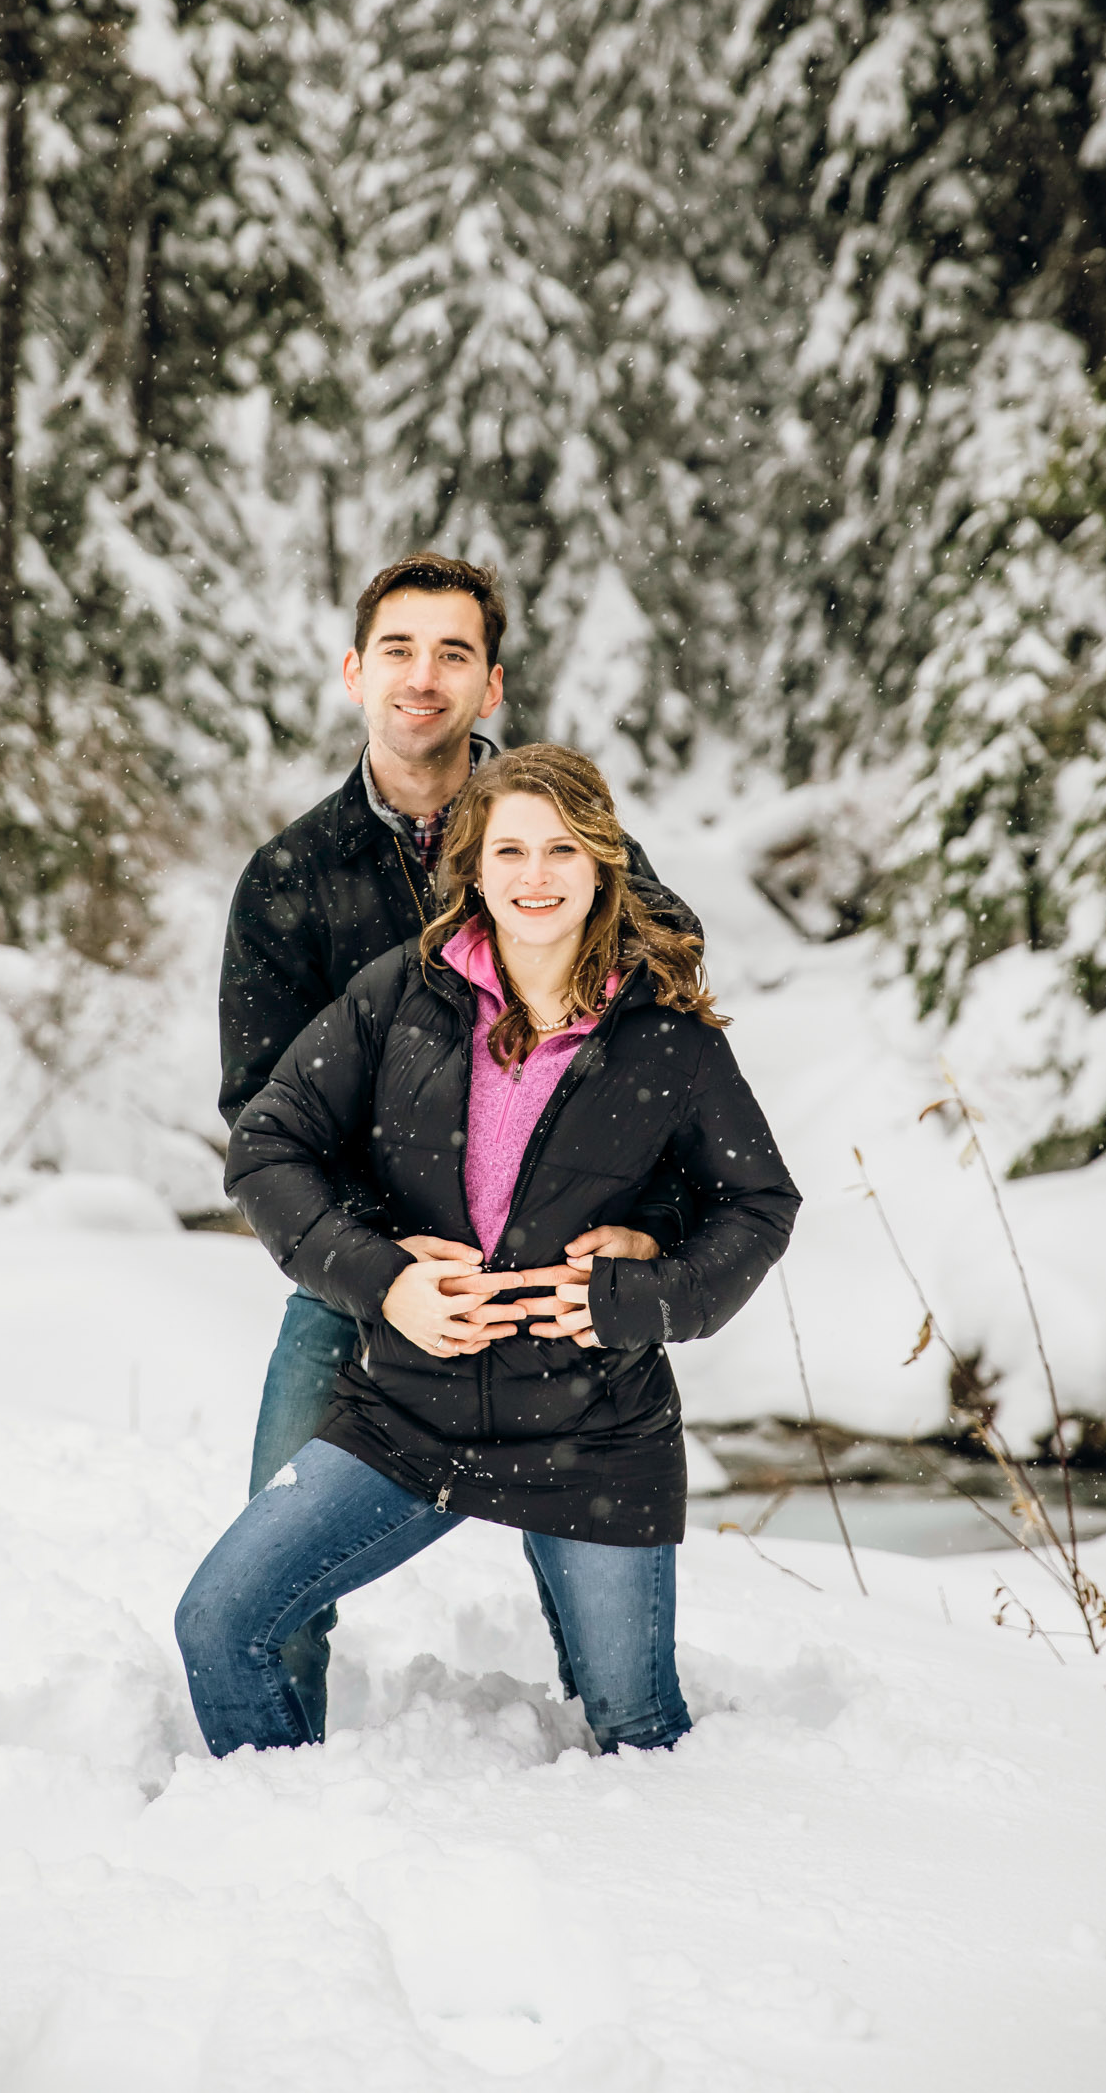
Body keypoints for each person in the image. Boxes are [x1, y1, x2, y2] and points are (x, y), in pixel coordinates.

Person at [178, 745, 800, 1757]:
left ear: (602, 861)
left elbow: (756, 1203)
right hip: (408, 1412)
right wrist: (385, 1278)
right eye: (507, 848)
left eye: (561, 848)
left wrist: (636, 1297)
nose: (533, 874)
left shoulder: (665, 1034)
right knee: (218, 1622)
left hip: (590, 1432)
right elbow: (265, 1144)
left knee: (635, 1729)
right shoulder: (402, 996)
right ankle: (285, 1835)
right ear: (472, 866)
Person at [219, 553, 693, 1734]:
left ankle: (640, 1785)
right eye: (397, 650)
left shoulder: (570, 852)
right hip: (365, 1283)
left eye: (452, 654)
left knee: (589, 1571)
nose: (420, 678)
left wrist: (650, 1233)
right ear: (352, 672)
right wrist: (386, 1267)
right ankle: (273, 1808)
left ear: (491, 687)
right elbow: (258, 1117)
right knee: (266, 1571)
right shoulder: (289, 881)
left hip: (541, 1286)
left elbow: (669, 1074)